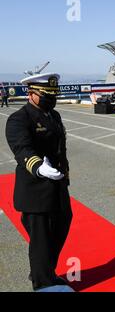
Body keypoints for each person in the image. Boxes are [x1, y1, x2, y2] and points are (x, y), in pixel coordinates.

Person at [5, 73, 72, 291]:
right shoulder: (19, 119)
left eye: (53, 96)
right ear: (31, 93)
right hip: (35, 189)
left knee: (62, 225)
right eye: (45, 96)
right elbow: (21, 149)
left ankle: (44, 271)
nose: (50, 100)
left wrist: (65, 172)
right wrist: (37, 166)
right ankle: (43, 283)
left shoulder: (54, 115)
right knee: (41, 240)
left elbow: (60, 148)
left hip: (57, 186)